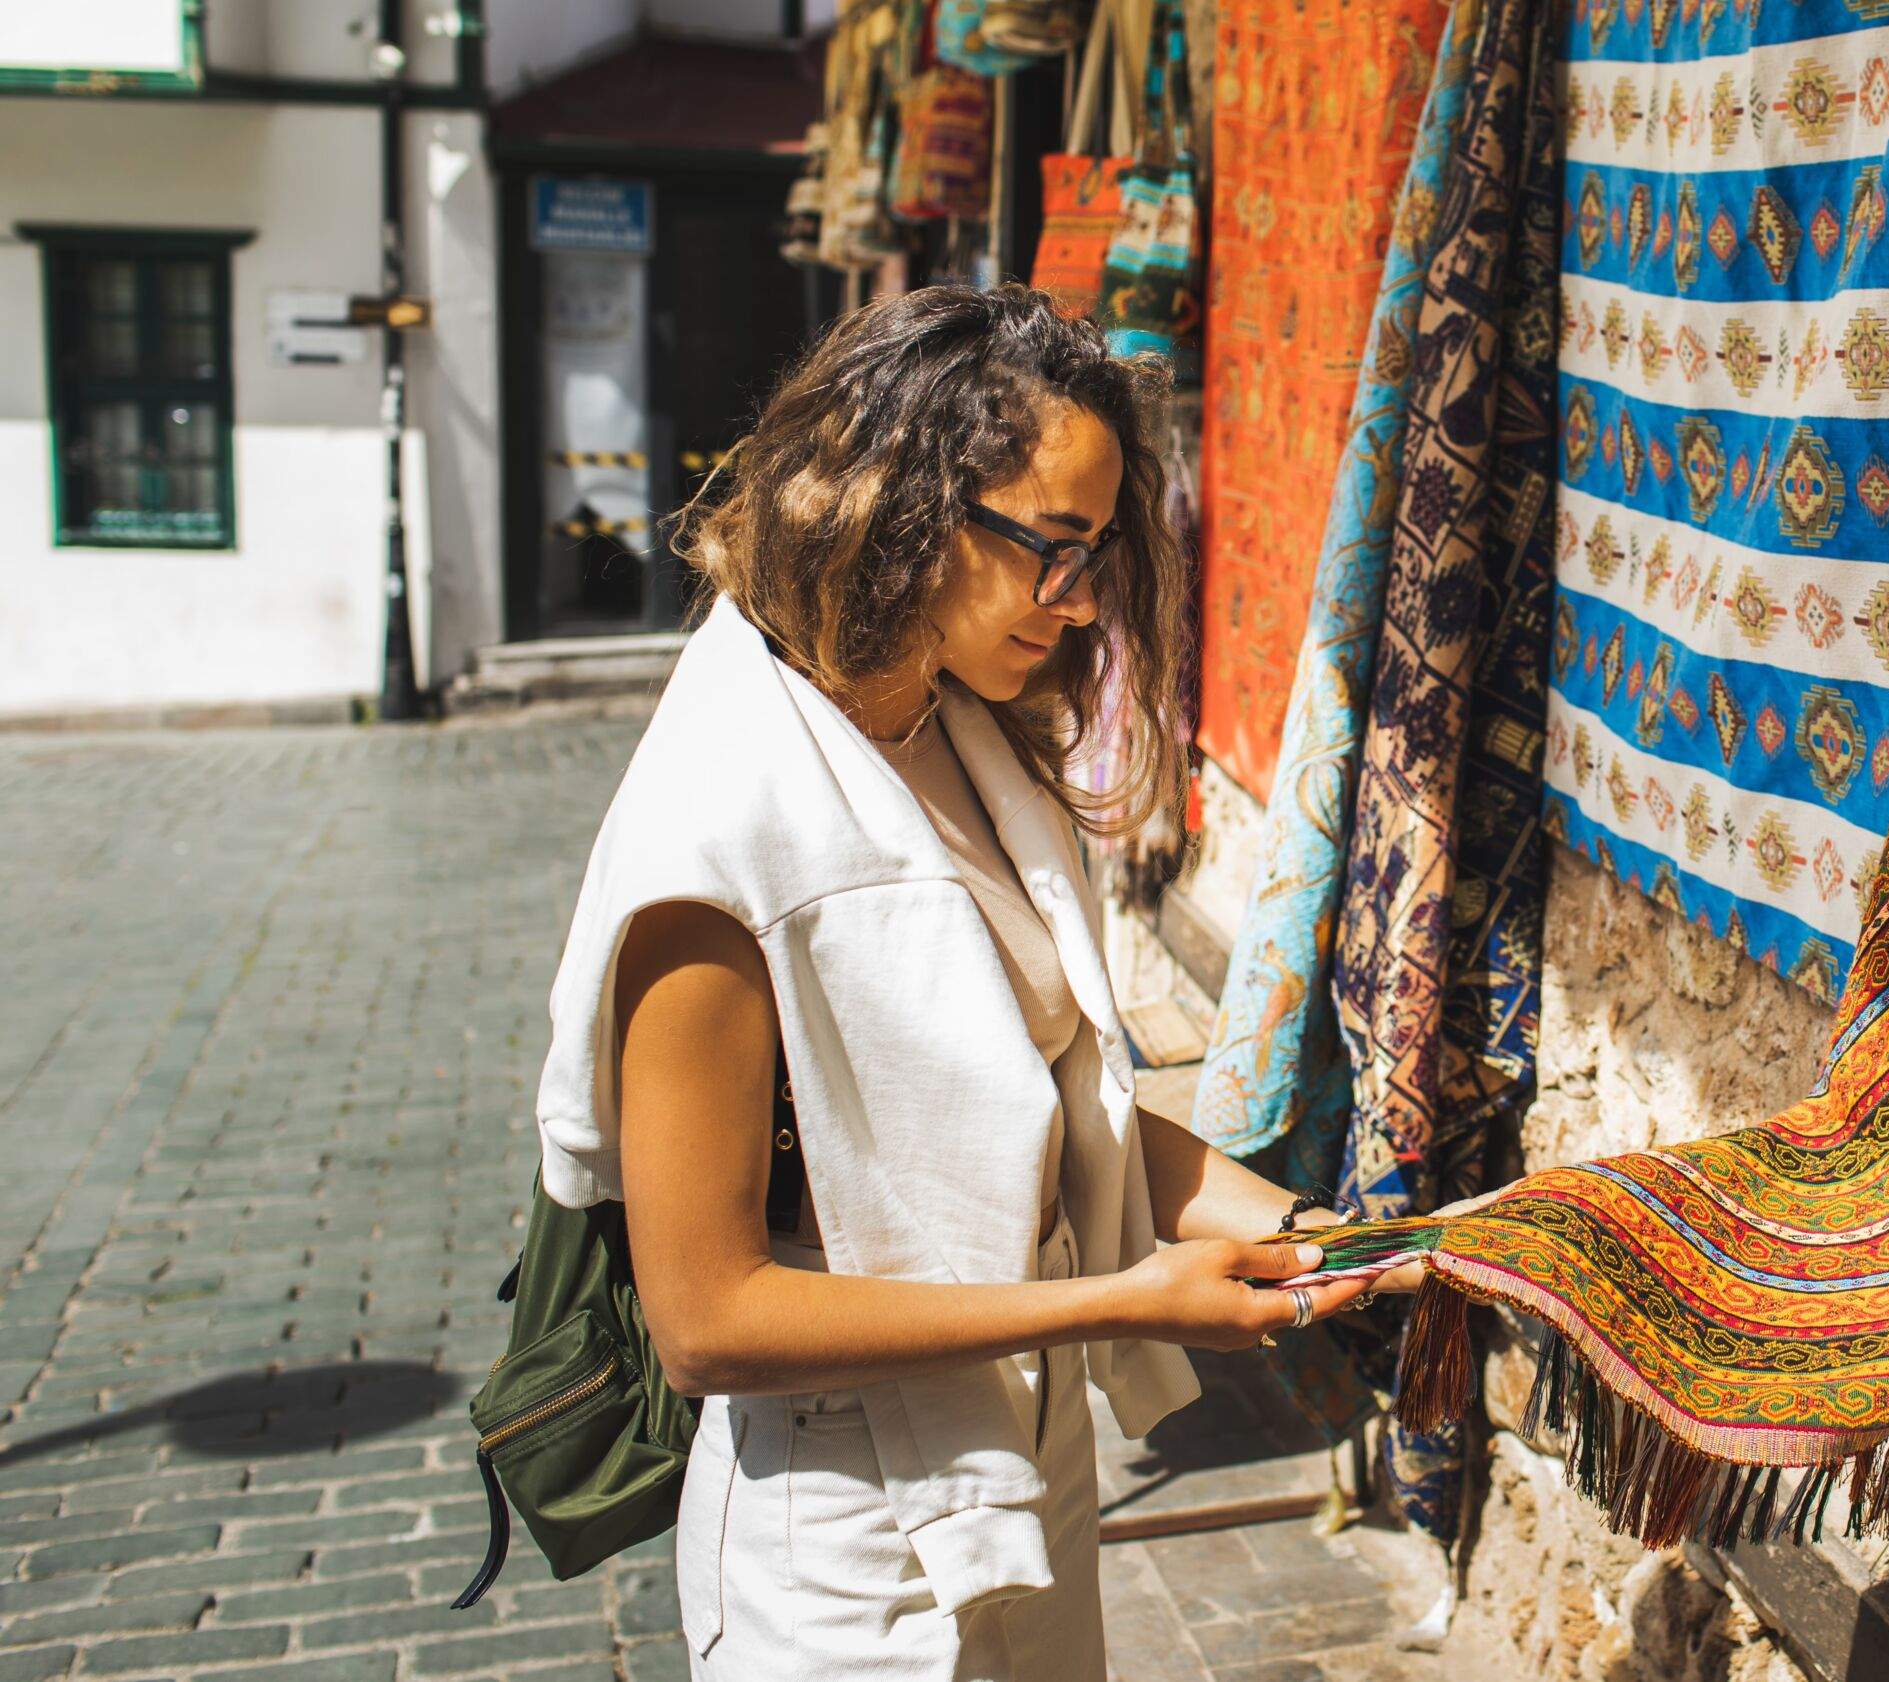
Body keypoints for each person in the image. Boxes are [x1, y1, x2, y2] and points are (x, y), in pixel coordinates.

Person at [527, 285, 1406, 1680]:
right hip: (848, 1561)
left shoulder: (945, 731)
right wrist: (1122, 1300)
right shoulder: (712, 826)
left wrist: (1328, 1235)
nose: (1074, 605)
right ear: (901, 501)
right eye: (1046, 549)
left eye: (1096, 554)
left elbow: (1062, 1114)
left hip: (1018, 1480)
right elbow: (707, 1317)